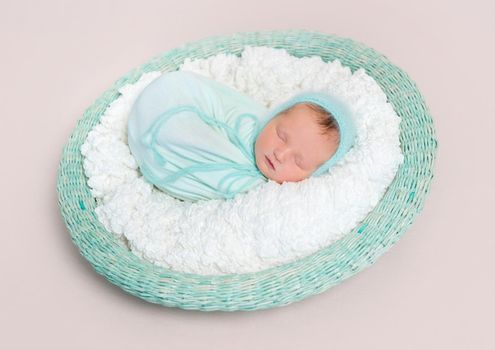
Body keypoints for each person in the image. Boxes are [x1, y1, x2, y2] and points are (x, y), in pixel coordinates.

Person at [127, 70, 356, 202]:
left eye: (298, 161)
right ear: (273, 116)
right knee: (176, 129)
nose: (280, 153)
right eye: (281, 135)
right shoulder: (245, 120)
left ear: (312, 175)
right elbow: (206, 99)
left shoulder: (263, 195)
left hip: (158, 156)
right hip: (164, 105)